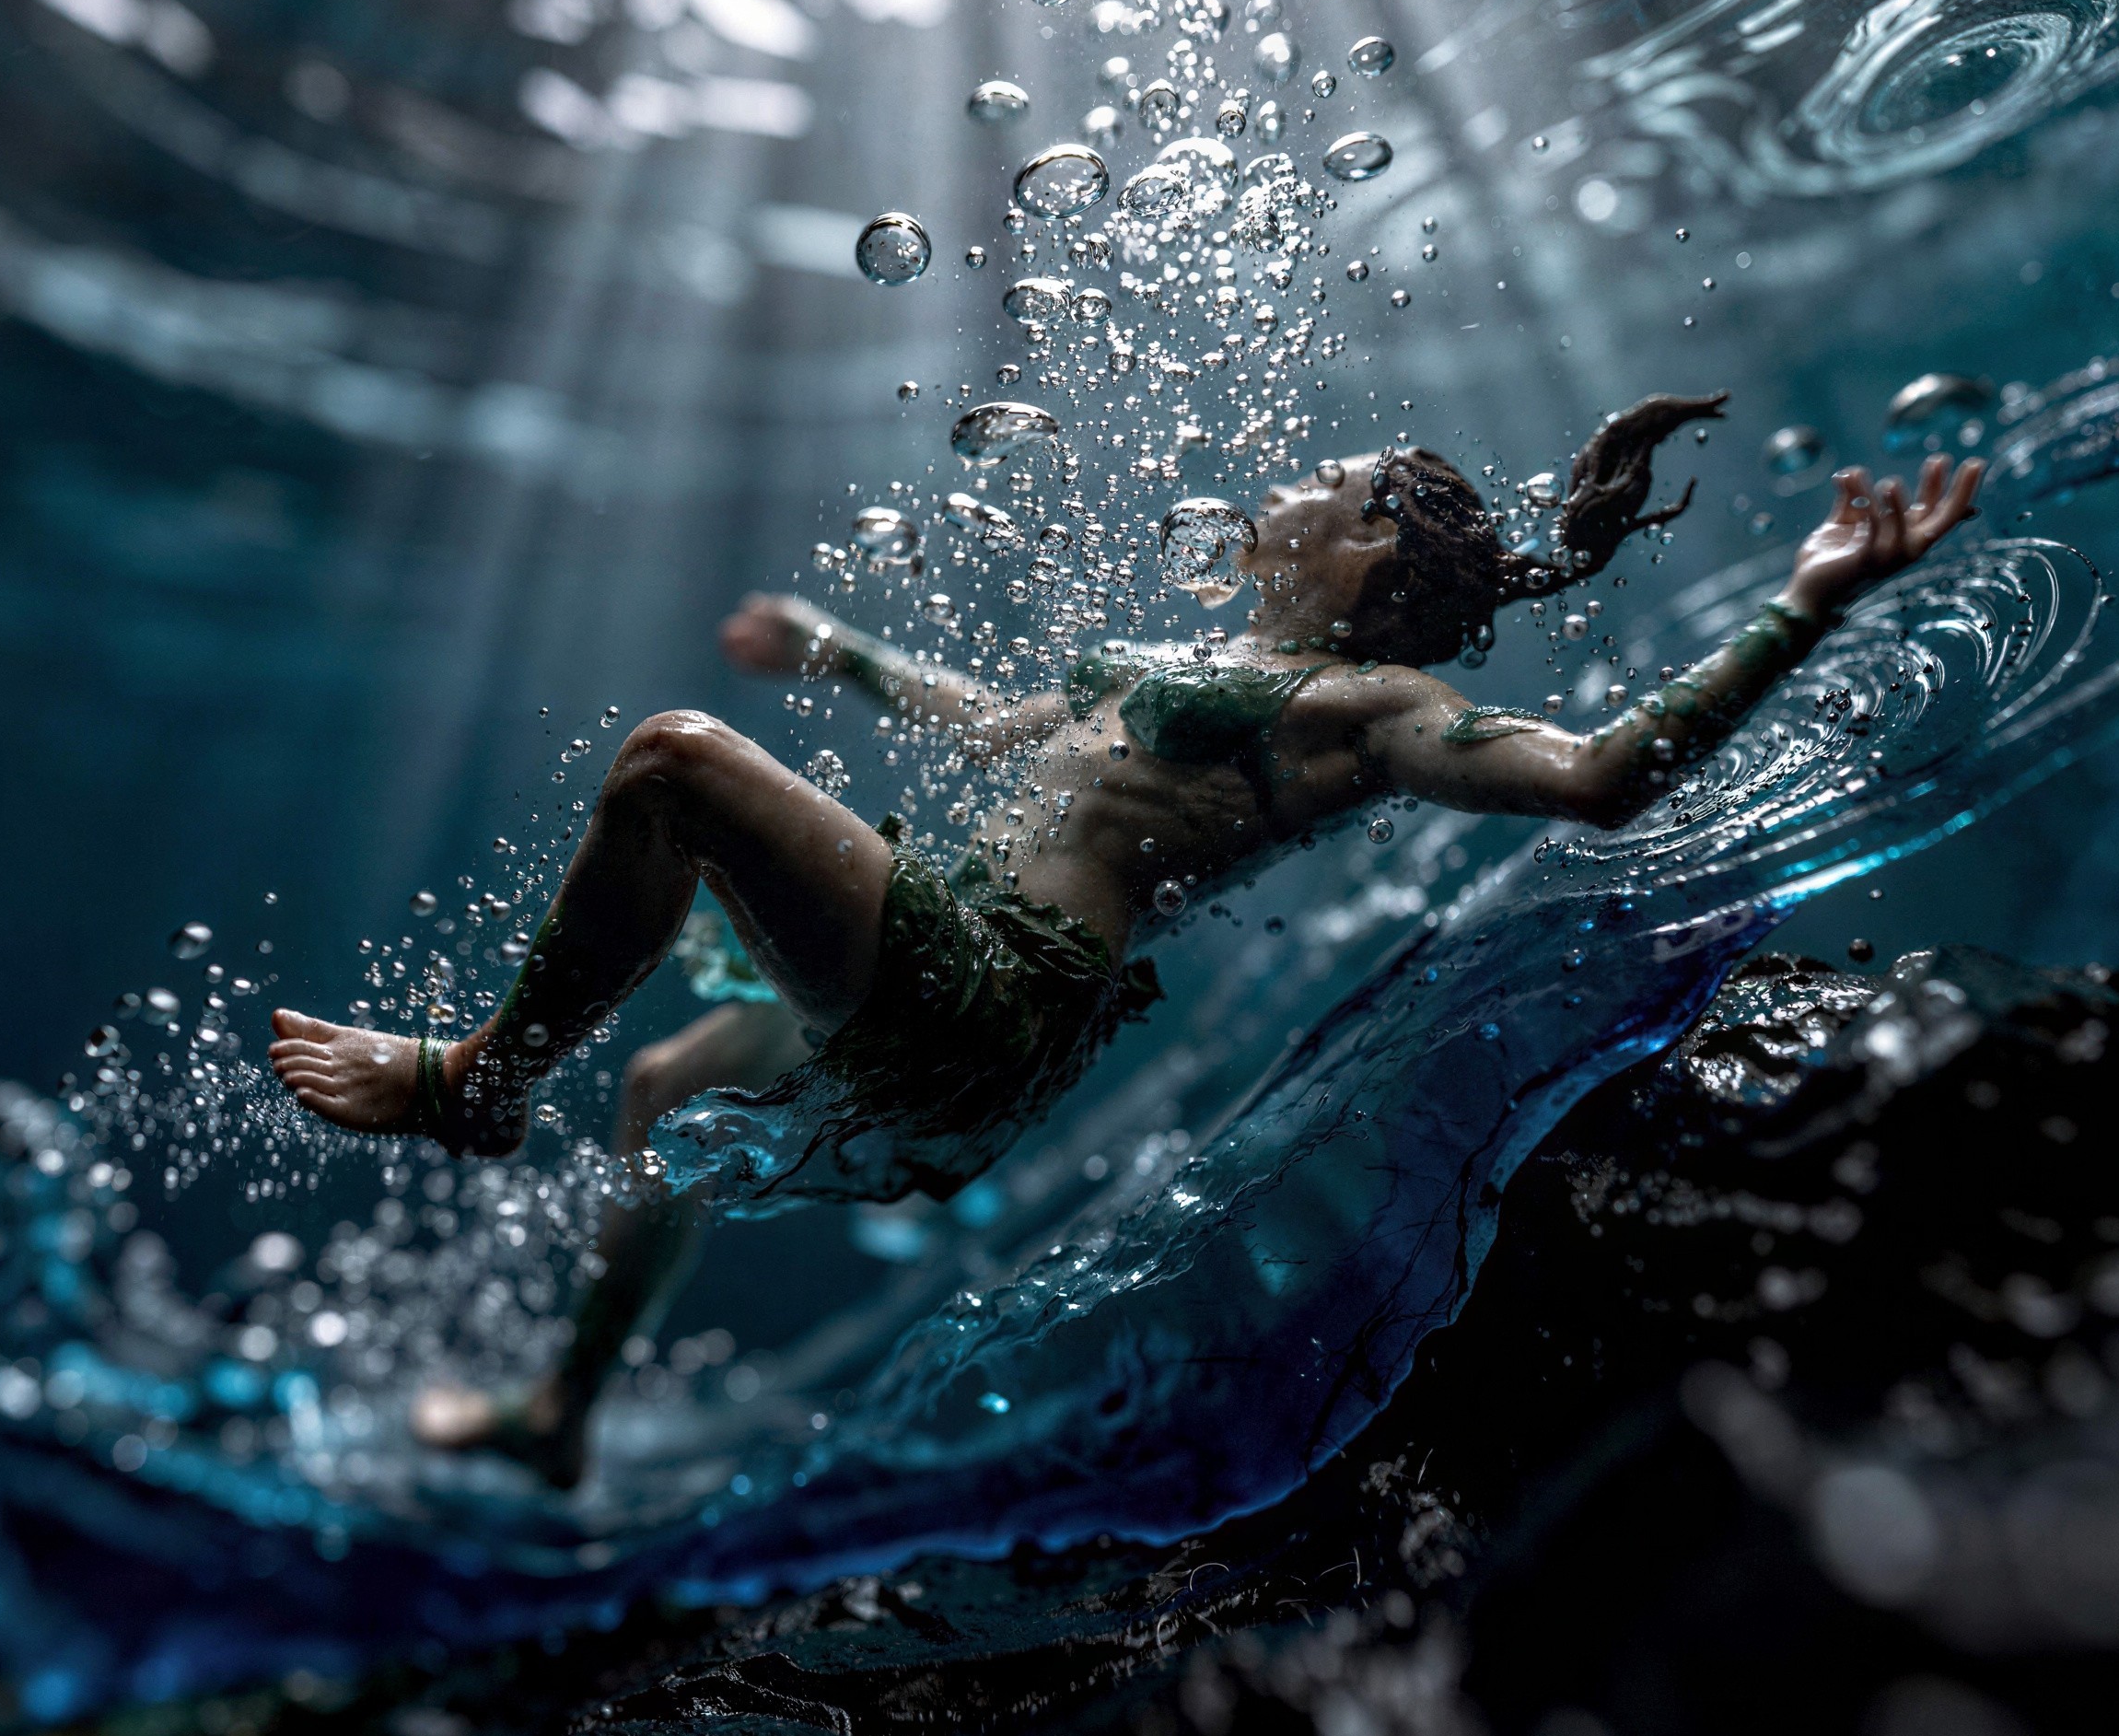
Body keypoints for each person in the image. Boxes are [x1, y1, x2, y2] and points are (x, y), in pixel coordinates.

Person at [267, 397, 1985, 1482]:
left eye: (1329, 474)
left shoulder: (1364, 700)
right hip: (951, 943)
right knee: (657, 1082)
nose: (1287, 477)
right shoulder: (1193, 655)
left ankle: (480, 1080)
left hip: (996, 998)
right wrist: (842, 651)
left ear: (1372, 536)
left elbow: (1600, 776)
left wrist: (1808, 603)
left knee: (673, 769)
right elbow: (994, 734)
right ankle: (561, 1416)